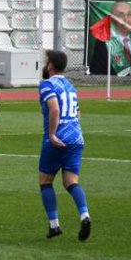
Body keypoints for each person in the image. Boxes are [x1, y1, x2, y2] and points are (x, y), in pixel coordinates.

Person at [38, 50, 91, 241]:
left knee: (45, 182)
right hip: (76, 138)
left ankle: (54, 225)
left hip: (57, 139)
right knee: (71, 182)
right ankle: (84, 215)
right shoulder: (71, 86)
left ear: (50, 65)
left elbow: (55, 108)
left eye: (46, 62)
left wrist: (52, 134)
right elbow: (77, 113)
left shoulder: (46, 85)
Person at [89, 0, 131, 77]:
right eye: (120, 15)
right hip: (114, 86)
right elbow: (97, 72)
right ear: (113, 19)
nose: (126, 20)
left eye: (129, 15)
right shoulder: (103, 41)